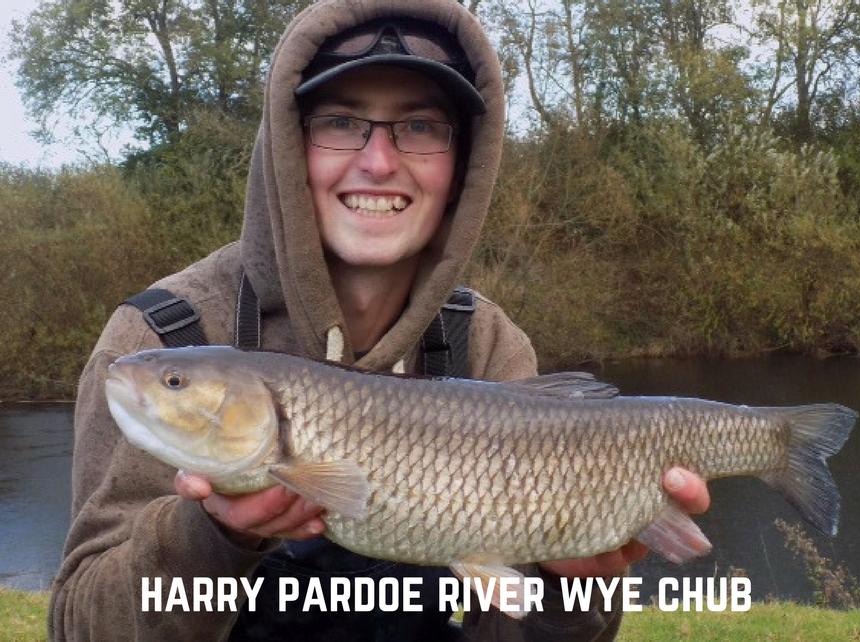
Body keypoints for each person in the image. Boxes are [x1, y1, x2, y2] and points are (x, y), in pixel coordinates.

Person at [48, 0, 710, 640]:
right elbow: (80, 628)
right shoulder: (164, 338)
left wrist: (570, 591)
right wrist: (212, 536)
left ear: (462, 166)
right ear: (288, 146)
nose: (378, 161)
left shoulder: (485, 343)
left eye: (419, 127)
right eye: (341, 122)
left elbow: (531, 628)